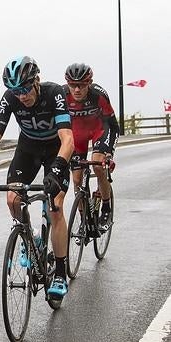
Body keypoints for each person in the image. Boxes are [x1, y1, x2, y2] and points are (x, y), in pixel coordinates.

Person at [0, 56, 74, 300]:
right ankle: (32, 239)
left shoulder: (54, 93)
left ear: (36, 81)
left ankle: (60, 273)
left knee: (56, 207)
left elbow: (67, 139)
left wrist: (58, 169)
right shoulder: (10, 99)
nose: (22, 95)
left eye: (26, 89)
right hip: (27, 149)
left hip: (55, 151)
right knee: (13, 200)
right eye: (16, 91)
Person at [64, 63, 119, 232]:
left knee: (97, 165)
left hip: (98, 130)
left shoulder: (98, 95)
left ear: (89, 83)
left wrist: (109, 153)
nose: (77, 89)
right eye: (73, 85)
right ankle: (83, 219)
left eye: (81, 85)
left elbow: (113, 125)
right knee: (77, 179)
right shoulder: (62, 95)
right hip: (77, 134)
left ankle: (106, 208)